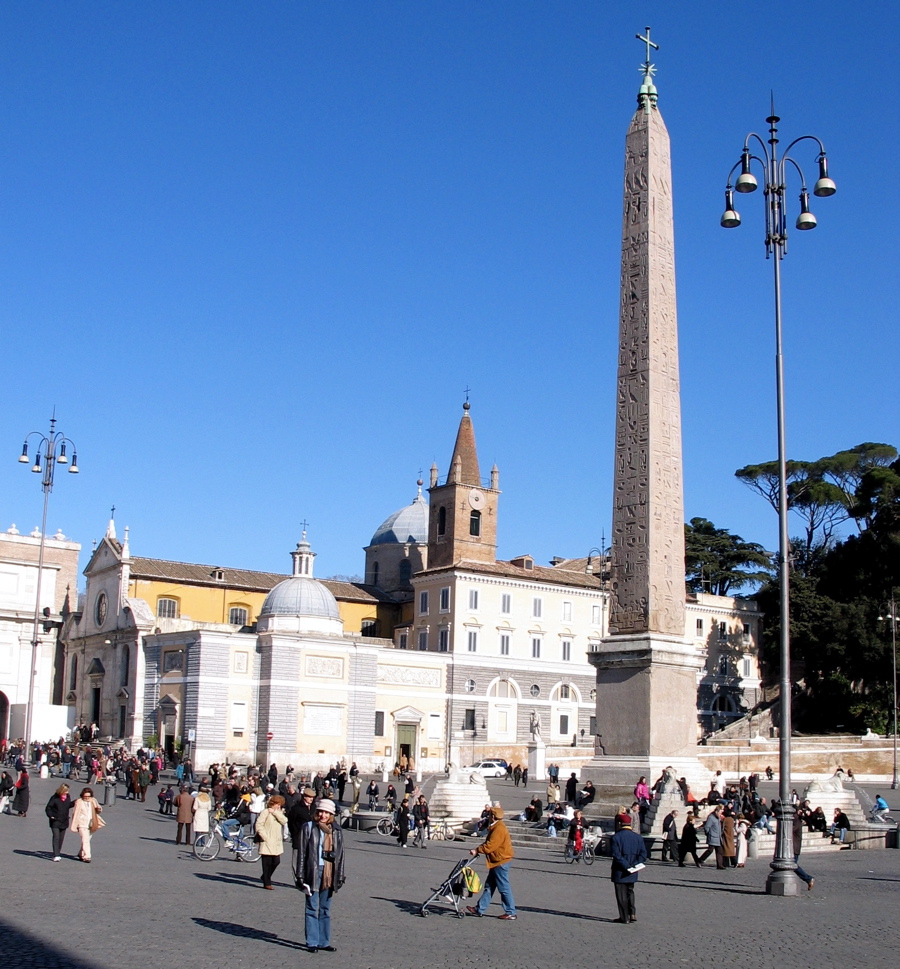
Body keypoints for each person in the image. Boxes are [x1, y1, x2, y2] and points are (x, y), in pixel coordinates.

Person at [293, 797, 346, 953]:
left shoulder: (336, 830)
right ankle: (312, 942)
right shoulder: (308, 827)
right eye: (321, 811)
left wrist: (341, 876)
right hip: (313, 871)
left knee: (325, 909)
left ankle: (324, 941)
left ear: (331, 814)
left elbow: (341, 855)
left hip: (329, 873)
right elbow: (302, 852)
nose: (323, 815)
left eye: (326, 812)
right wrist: (300, 876)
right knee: (311, 907)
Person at [466, 804, 517, 920]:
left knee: (504, 888)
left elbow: (490, 846)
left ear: (493, 816)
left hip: (500, 861)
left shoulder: (499, 829)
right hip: (497, 860)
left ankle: (511, 911)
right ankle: (480, 908)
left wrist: (477, 850)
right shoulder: (497, 826)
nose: (488, 816)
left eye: (489, 815)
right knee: (489, 886)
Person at [610, 812, 648, 923]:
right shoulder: (638, 837)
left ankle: (624, 917)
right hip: (633, 870)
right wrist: (634, 865)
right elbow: (643, 854)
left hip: (620, 870)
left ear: (620, 824)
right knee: (630, 891)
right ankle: (632, 913)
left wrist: (626, 865)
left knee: (621, 894)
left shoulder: (616, 837)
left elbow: (616, 855)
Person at [256, 794, 287, 889]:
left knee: (276, 861)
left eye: (280, 805)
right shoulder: (265, 812)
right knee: (267, 862)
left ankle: (265, 876)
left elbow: (284, 821)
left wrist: (275, 812)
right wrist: (264, 836)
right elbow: (259, 824)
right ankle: (267, 882)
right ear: (272, 803)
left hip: (276, 841)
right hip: (267, 840)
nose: (278, 806)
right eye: (277, 804)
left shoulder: (278, 812)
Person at [70, 787, 103, 862]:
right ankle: (87, 856)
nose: (87, 798)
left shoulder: (93, 800)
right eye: (85, 796)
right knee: (85, 840)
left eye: (88, 796)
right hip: (82, 823)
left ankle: (81, 853)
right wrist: (75, 824)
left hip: (92, 823)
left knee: (87, 839)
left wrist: (98, 809)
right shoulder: (79, 802)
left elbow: (99, 810)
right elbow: (75, 813)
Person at [45, 783, 75, 861]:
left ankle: (57, 851)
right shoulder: (54, 798)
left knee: (61, 839)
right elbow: (48, 808)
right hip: (55, 821)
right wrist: (51, 816)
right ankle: (56, 854)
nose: (67, 793)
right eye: (66, 791)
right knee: (56, 837)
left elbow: (68, 806)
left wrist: (75, 803)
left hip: (64, 820)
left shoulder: (68, 797)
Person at [792, 811, 814, 891]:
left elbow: (788, 831)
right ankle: (807, 879)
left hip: (794, 848)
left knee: (793, 866)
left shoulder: (796, 823)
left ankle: (808, 878)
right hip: (794, 848)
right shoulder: (797, 822)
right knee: (792, 866)